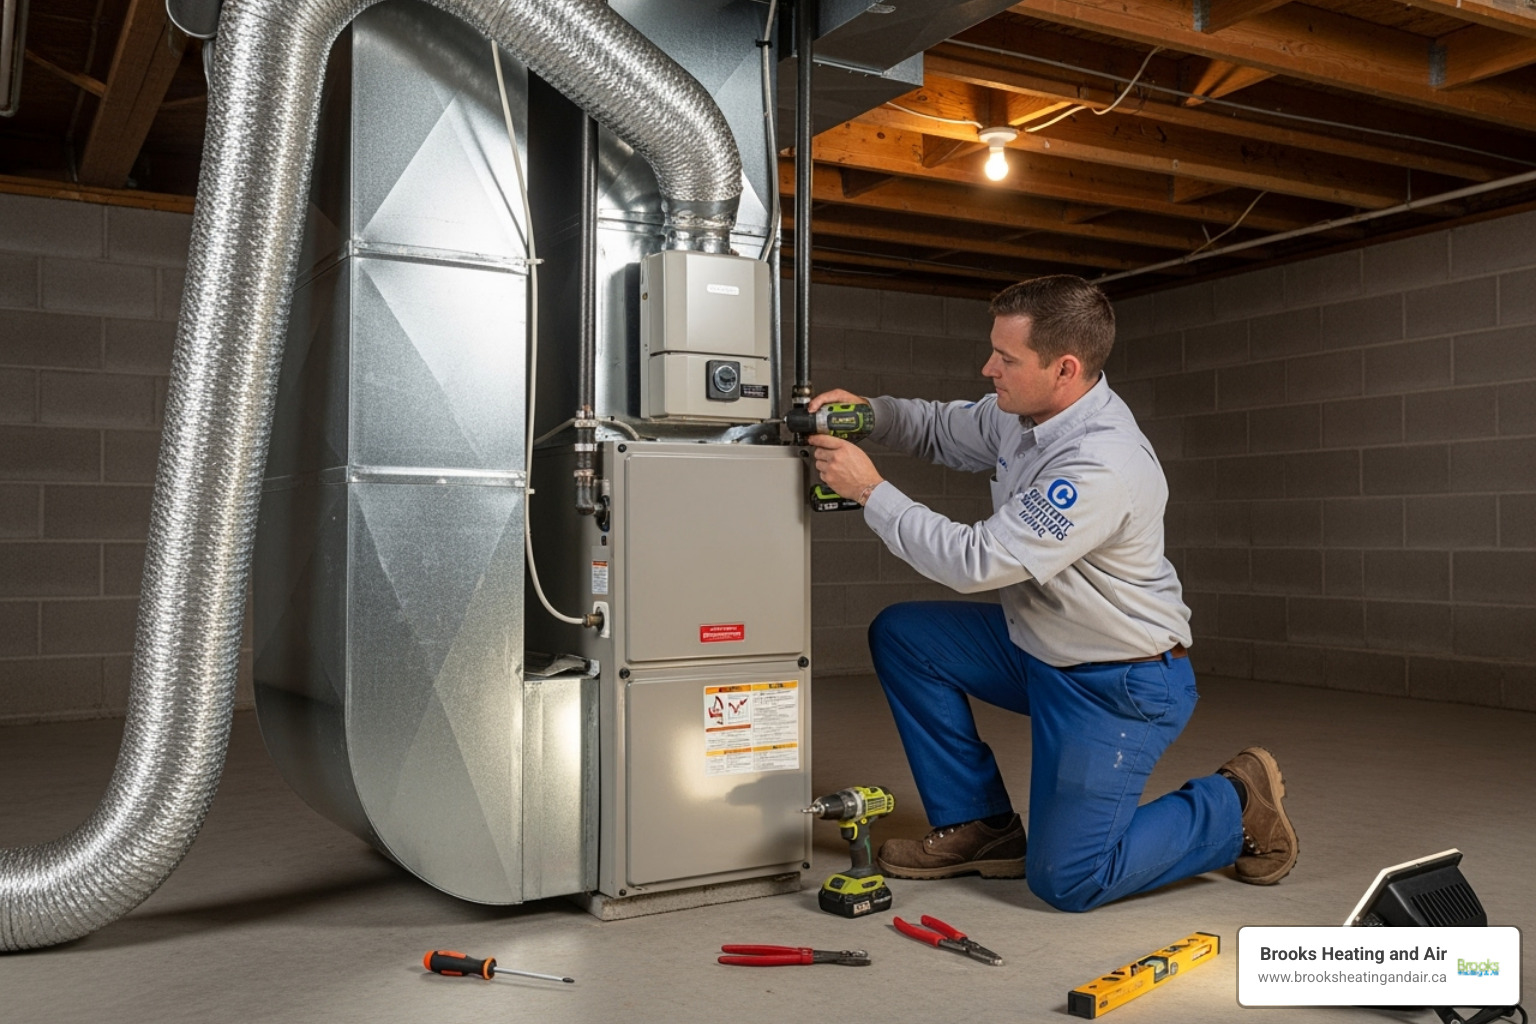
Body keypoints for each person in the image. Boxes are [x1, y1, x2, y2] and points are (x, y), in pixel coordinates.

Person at [804, 275, 1296, 913]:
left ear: (1065, 368)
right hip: (1041, 648)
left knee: (1070, 880)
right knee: (906, 636)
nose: (988, 369)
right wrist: (873, 414)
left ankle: (1234, 804)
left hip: (1117, 681)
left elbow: (975, 561)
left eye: (1005, 359)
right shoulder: (1025, 416)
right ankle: (980, 825)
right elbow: (941, 427)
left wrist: (870, 490)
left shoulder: (1099, 463)